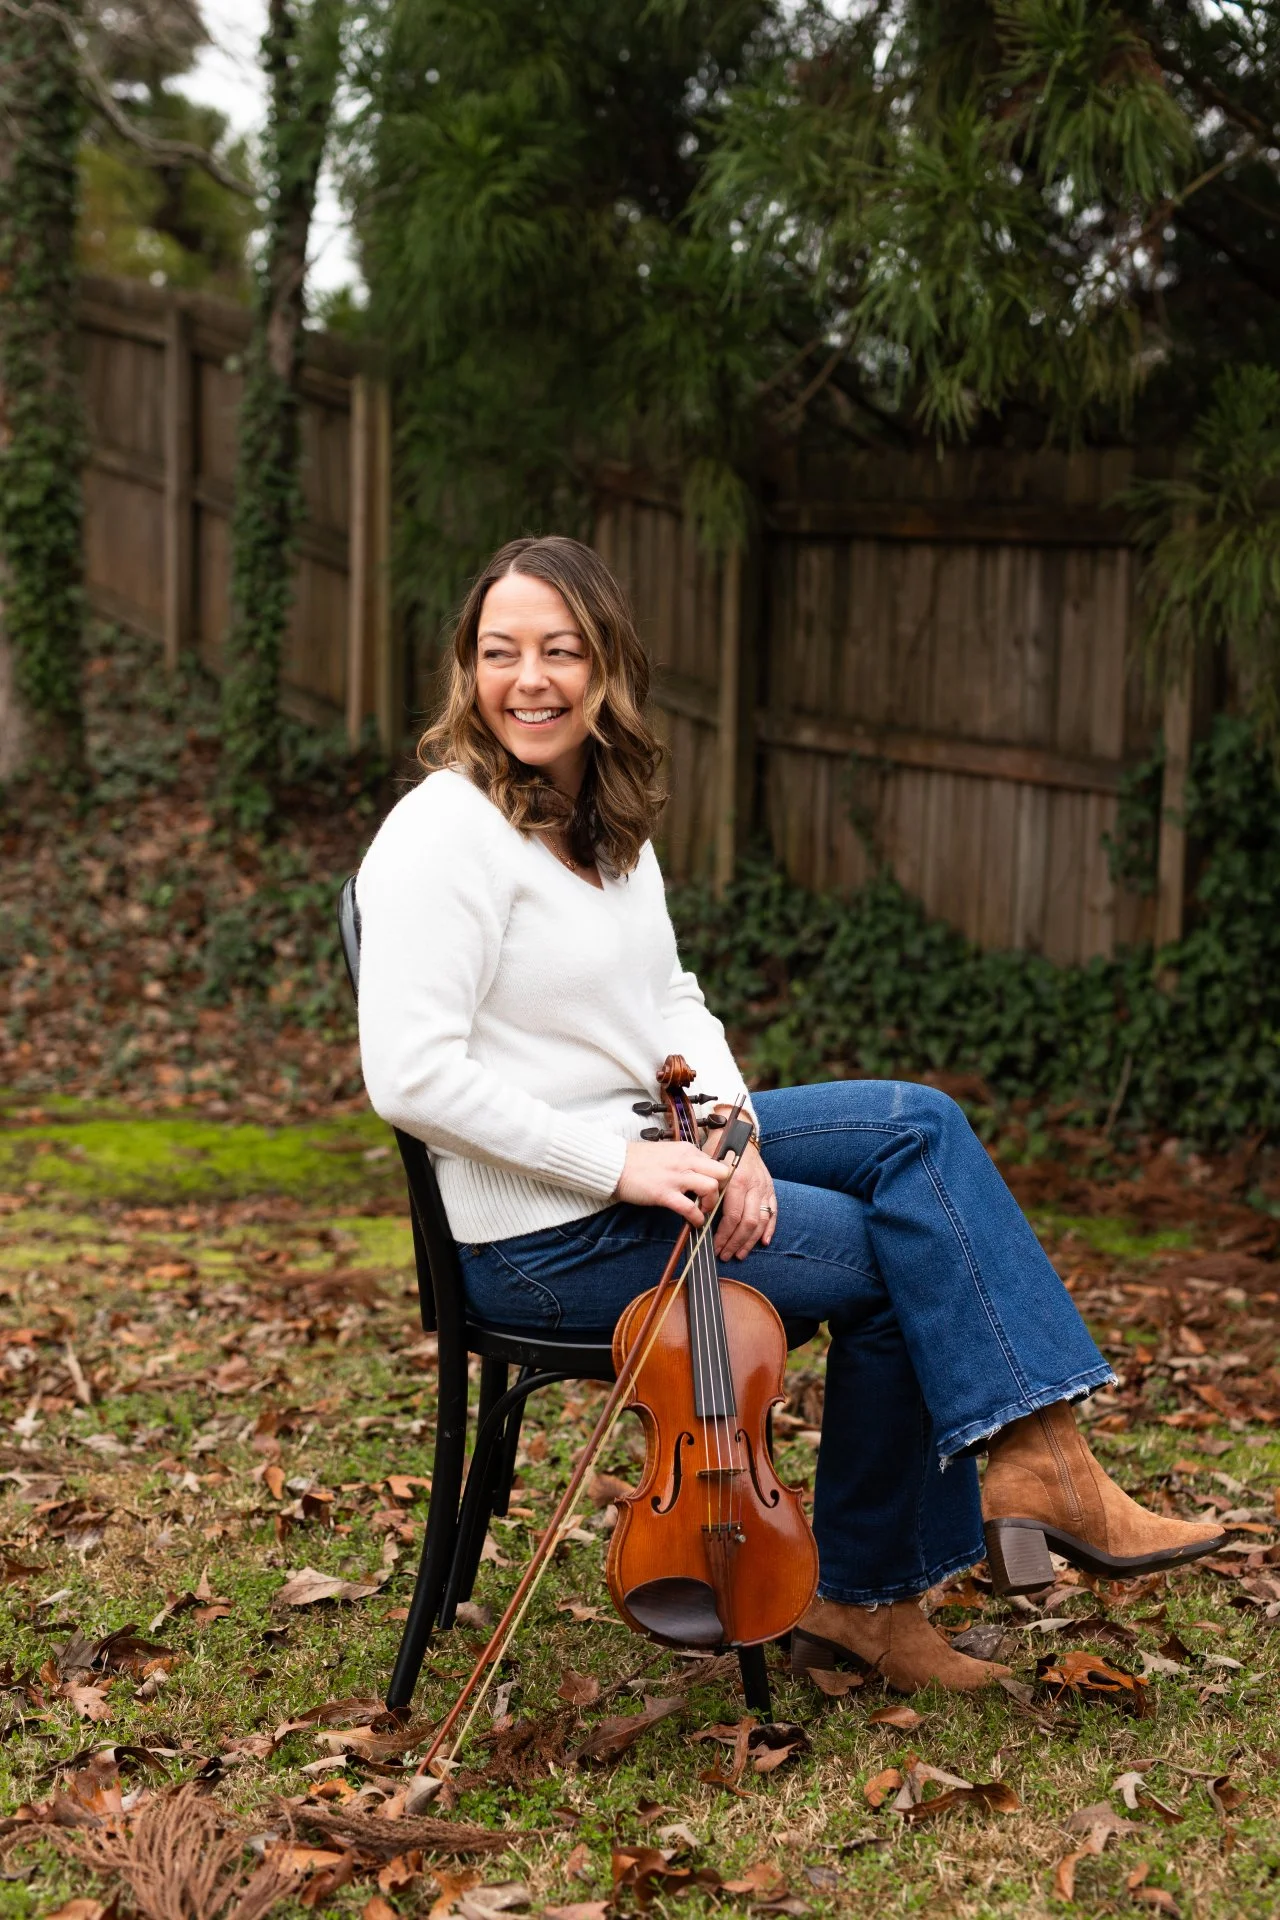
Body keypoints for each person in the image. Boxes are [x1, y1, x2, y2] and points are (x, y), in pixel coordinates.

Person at [355, 535, 1223, 1695]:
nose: (529, 680)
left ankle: (1035, 1459)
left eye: (560, 650)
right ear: (466, 670)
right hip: (542, 1239)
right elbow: (409, 1075)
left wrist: (735, 1129)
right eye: (499, 652)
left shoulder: (598, 820)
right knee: (897, 1257)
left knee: (917, 1124)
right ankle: (874, 1594)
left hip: (654, 1150)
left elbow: (671, 1000)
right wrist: (619, 1166)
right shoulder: (441, 831)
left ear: (608, 666)